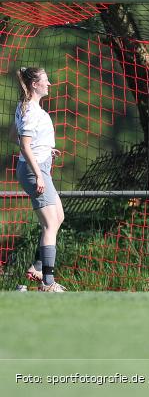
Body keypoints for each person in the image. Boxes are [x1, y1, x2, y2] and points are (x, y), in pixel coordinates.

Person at [14, 67, 66, 292]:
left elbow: (32, 143)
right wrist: (37, 174)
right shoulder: (31, 111)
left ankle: (36, 267)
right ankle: (47, 282)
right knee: (50, 224)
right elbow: (24, 146)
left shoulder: (32, 108)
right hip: (33, 171)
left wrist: (46, 150)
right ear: (35, 84)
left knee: (59, 217)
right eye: (46, 80)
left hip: (40, 165)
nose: (50, 84)